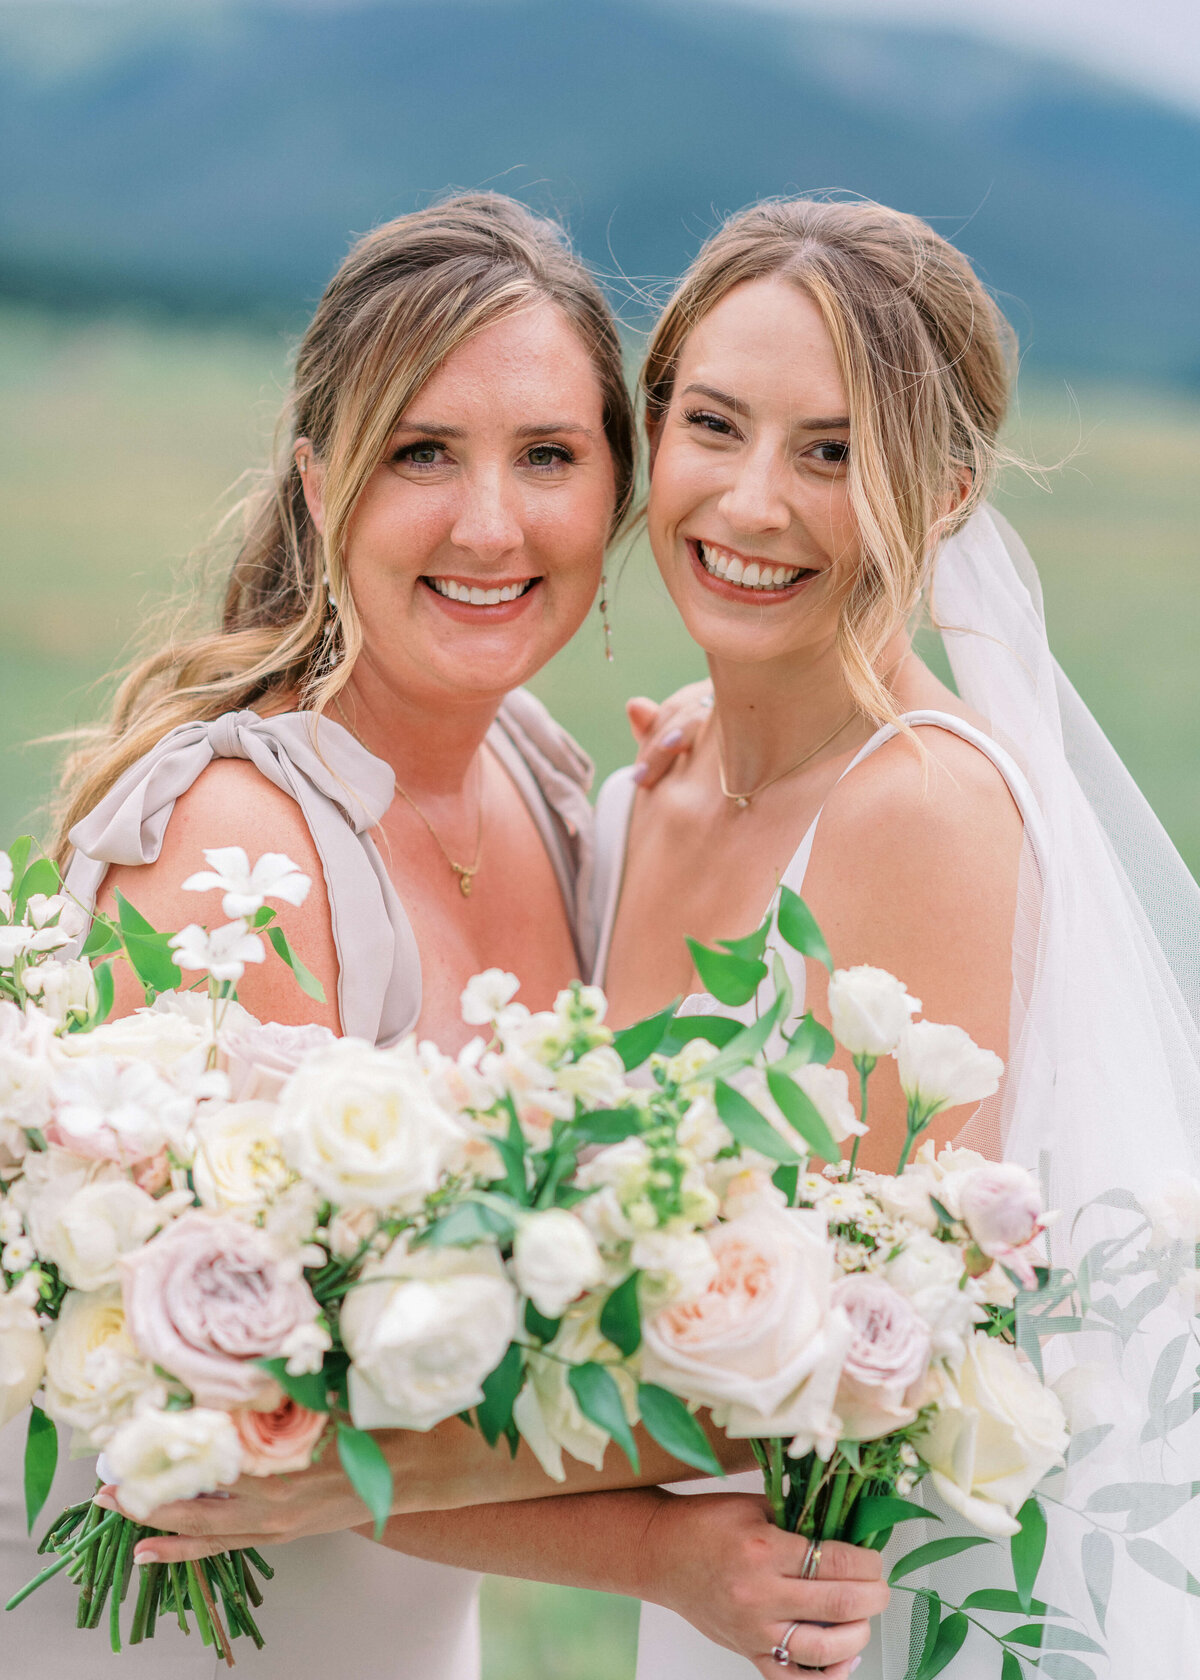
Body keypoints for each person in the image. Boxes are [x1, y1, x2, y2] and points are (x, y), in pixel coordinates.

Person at [6, 193, 886, 1680]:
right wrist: (664, 1555)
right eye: (424, 452)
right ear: (316, 479)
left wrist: (729, 777)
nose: (491, 524)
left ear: (614, 486)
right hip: (160, 1643)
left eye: (548, 456)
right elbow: (250, 1431)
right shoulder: (239, 847)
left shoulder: (551, 784)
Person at [588, 198, 1200, 1676]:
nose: (749, 503)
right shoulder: (639, 803)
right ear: (650, 431)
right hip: (714, 1596)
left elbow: (864, 1358)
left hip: (880, 1612)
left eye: (834, 451)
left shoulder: (919, 810)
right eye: (714, 426)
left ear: (945, 492)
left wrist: (377, 1460)